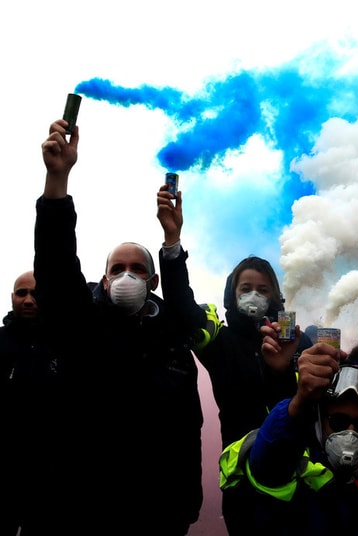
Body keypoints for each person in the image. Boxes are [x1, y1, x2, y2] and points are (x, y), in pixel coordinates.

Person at [36, 118, 204, 535]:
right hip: (82, 507)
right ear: (104, 280)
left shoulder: (173, 342)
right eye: (117, 269)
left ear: (153, 281)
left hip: (157, 512)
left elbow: (189, 430)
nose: (127, 275)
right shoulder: (84, 326)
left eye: (137, 269)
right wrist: (57, 180)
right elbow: (56, 269)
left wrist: (172, 239)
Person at [219, 340, 358, 535]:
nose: (351, 434)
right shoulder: (297, 470)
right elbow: (270, 459)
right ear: (319, 422)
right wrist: (300, 400)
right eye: (338, 422)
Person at [185, 254, 311, 536]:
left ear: (275, 297)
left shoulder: (296, 340)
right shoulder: (221, 341)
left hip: (292, 472)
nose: (254, 295)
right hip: (241, 480)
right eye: (246, 288)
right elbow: (183, 310)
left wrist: (283, 370)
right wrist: (172, 250)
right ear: (232, 295)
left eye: (263, 289)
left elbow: (306, 406)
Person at [0, 271, 65, 535]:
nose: (28, 300)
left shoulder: (66, 346)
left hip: (51, 478)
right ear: (12, 297)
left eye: (35, 293)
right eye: (21, 293)